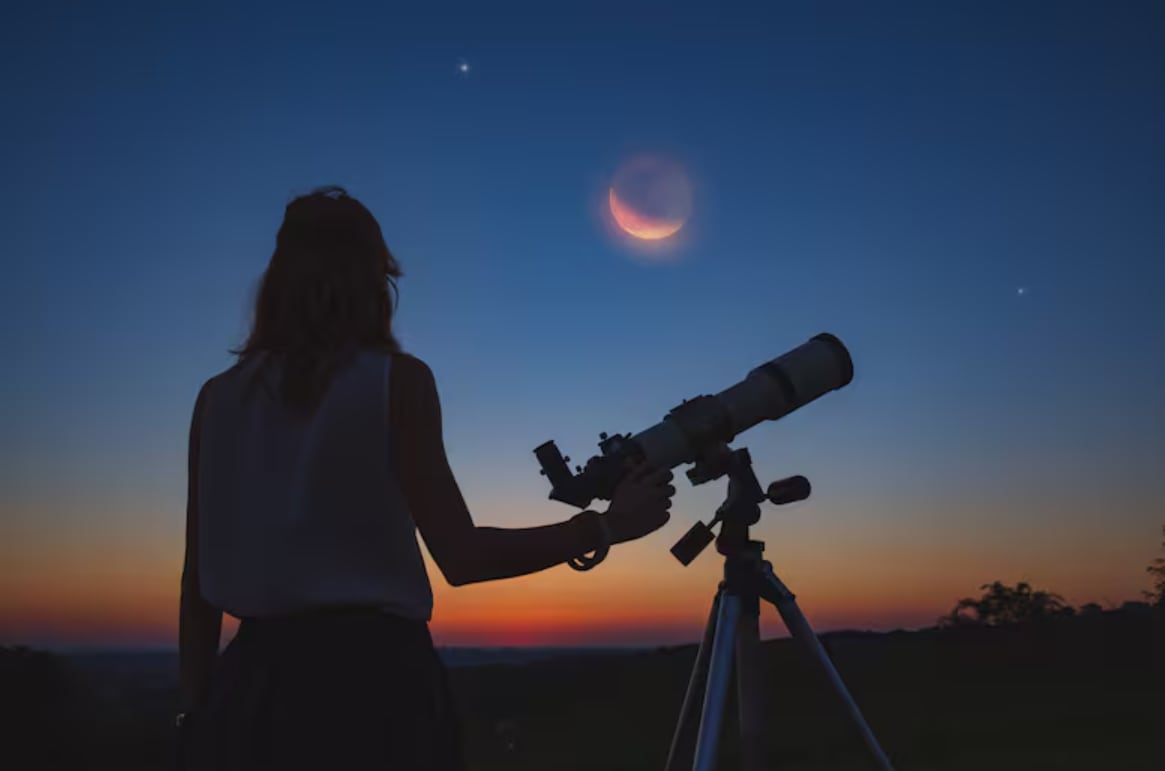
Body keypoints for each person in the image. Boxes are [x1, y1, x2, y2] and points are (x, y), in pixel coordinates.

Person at [177, 186, 676, 770]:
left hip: (251, 688)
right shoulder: (398, 383)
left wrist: (197, 713)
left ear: (278, 279)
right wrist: (607, 527)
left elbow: (197, 579)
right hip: (375, 688)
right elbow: (462, 558)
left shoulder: (216, 398)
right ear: (373, 280)